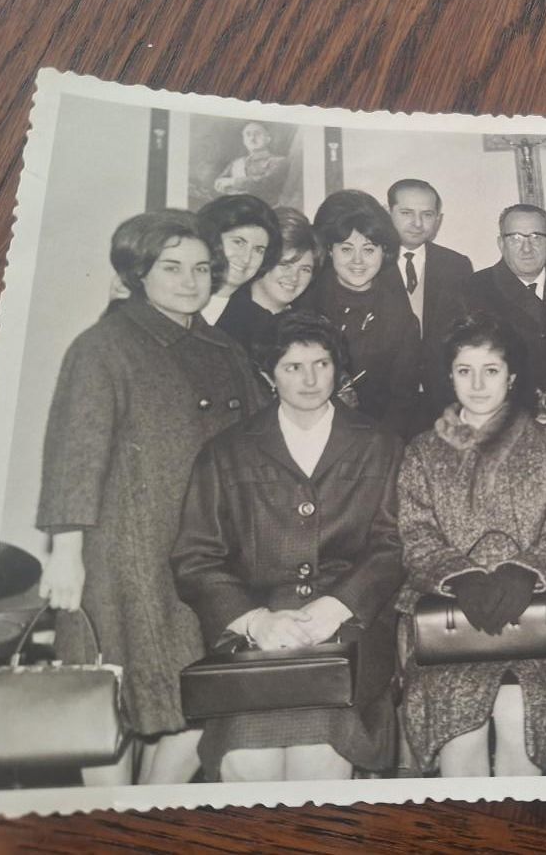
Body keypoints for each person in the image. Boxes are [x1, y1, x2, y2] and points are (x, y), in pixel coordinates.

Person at [36, 210, 266, 785]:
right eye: (171, 267)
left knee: (201, 700)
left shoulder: (225, 349)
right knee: (108, 703)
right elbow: (74, 451)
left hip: (204, 557)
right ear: (139, 272)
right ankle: (110, 825)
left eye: (201, 268)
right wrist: (65, 553)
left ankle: (149, 805)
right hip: (123, 556)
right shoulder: (103, 345)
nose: (189, 281)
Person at [171, 312, 405, 781]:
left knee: (321, 761)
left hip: (347, 639)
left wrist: (337, 606)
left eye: (320, 364)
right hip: (255, 643)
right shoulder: (226, 451)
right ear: (267, 375)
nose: (310, 379)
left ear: (337, 369)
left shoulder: (381, 444)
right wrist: (257, 620)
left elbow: (394, 543)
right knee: (247, 764)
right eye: (292, 367)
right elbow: (195, 558)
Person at [397, 312, 546, 776]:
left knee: (522, 714)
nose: (478, 384)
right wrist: (458, 577)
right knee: (459, 727)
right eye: (465, 371)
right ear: (449, 377)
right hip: (448, 620)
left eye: (491, 370)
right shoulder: (423, 450)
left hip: (541, 616)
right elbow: (415, 531)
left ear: (513, 377)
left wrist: (526, 573)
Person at [463, 203, 546, 437]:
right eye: (515, 238)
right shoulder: (471, 291)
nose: (527, 248)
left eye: (536, 237)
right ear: (501, 244)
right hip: (503, 425)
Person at [307, 189, 423, 439]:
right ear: (329, 250)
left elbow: (402, 402)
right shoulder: (304, 303)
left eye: (369, 250)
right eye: (346, 249)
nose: (357, 261)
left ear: (384, 252)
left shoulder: (400, 319)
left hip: (371, 440)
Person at [381, 179, 474, 432]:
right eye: (406, 213)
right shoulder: (370, 262)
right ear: (387, 212)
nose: (417, 223)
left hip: (443, 403)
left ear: (438, 220)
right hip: (383, 404)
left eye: (427, 214)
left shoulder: (456, 266)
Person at [216, 206, 324, 363]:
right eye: (285, 264)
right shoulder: (227, 321)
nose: (294, 277)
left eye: (305, 269)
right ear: (264, 261)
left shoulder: (311, 324)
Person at [197, 194, 283, 326]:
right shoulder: (170, 297)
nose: (246, 258)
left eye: (258, 250)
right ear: (212, 238)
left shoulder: (261, 324)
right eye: (238, 242)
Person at [213, 121, 290, 205]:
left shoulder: (279, 161)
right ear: (244, 141)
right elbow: (219, 182)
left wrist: (233, 182)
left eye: (257, 134)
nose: (252, 138)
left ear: (268, 138)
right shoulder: (236, 163)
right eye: (248, 134)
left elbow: (267, 183)